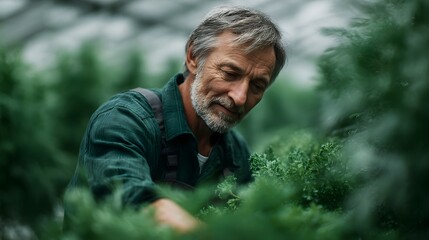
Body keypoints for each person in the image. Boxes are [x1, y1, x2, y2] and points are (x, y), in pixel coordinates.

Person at [65, 6, 286, 233]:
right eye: (230, 74)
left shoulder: (235, 152)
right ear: (193, 57)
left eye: (257, 86)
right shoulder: (125, 119)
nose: (240, 97)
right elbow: (129, 199)